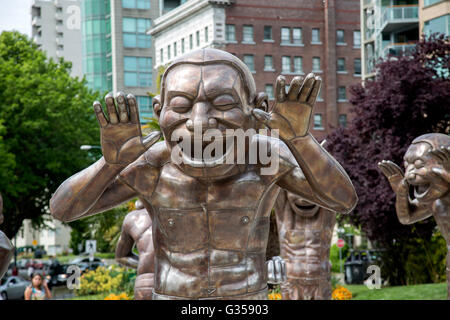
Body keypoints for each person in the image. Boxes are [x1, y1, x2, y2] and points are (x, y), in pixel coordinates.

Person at [50, 48, 357, 300]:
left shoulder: (265, 157)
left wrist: (299, 140)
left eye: (223, 103)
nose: (199, 122)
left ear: (257, 109)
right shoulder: (152, 164)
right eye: (181, 106)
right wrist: (110, 164)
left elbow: (342, 200)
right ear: (159, 113)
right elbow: (63, 209)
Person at [115, 200, 155, 300]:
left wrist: (146, 265)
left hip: (145, 283)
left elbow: (121, 256)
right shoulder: (184, 213)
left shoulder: (132, 218)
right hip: (170, 282)